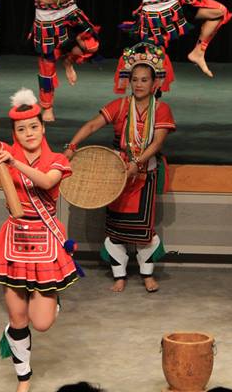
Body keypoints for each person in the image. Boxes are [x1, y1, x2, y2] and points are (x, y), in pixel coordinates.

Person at [0, 77, 78, 392]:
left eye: (34, 127)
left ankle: (53, 300)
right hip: (14, 242)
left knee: (43, 323)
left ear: (43, 128)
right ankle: (23, 377)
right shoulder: (5, 152)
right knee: (18, 319)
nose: (29, 133)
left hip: (46, 241)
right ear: (15, 133)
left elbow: (47, 182)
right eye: (22, 129)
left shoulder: (57, 160)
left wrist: (14, 163)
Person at [65, 41, 176, 292]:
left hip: (145, 174)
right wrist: (72, 146)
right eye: (134, 79)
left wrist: (137, 163)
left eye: (144, 80)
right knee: (115, 230)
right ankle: (119, 275)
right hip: (118, 174)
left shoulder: (161, 109)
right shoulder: (120, 106)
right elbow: (92, 125)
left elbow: (157, 143)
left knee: (143, 230)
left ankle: (147, 274)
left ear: (154, 83)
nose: (138, 84)